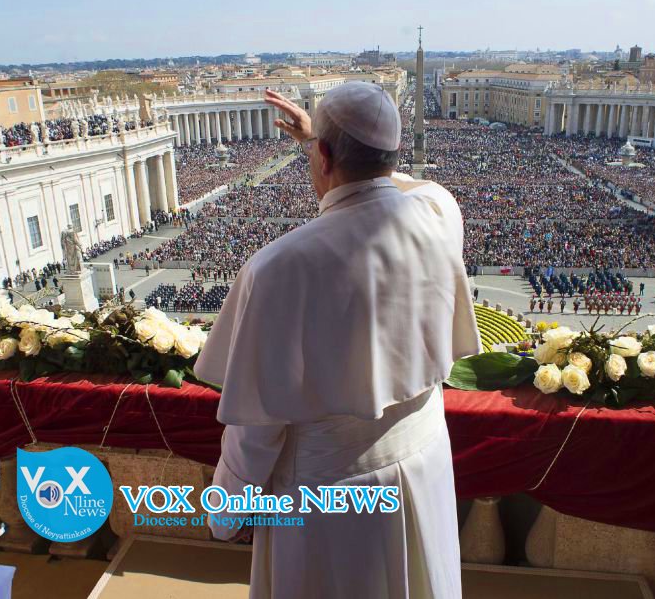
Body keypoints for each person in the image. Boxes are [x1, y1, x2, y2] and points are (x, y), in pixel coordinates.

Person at [195, 83, 478, 598]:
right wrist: (326, 140)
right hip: (424, 461)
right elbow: (412, 186)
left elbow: (257, 428)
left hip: (330, 498)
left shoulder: (278, 267)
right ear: (393, 156)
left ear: (322, 155)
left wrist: (227, 510)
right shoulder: (441, 215)